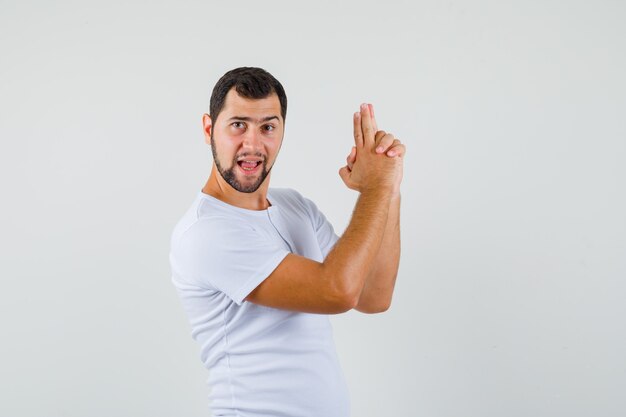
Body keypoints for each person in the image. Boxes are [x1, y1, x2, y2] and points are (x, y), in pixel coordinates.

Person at [169, 67, 405, 417]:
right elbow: (337, 291)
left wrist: (390, 186)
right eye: (238, 125)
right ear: (209, 129)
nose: (253, 144)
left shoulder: (295, 206)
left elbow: (373, 296)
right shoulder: (206, 232)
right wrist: (375, 188)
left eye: (267, 127)